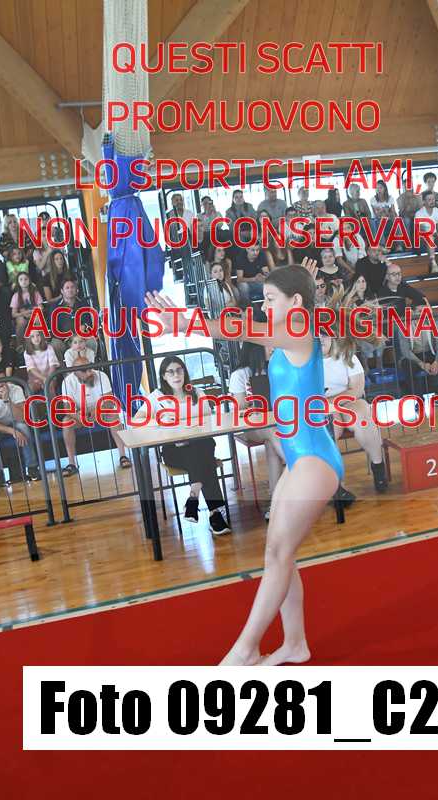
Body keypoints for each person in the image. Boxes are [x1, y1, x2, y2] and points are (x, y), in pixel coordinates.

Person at [146, 259, 345, 666]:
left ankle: (246, 649)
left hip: (314, 460)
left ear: (295, 302)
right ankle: (294, 644)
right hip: (301, 458)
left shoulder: (299, 331)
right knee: (278, 553)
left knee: (278, 554)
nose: (264, 306)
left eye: (270, 299)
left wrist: (184, 321)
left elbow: (240, 328)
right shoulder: (292, 331)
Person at [133, 355, 231, 534]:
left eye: (179, 370)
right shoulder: (156, 397)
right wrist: (159, 419)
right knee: (206, 459)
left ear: (184, 372)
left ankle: (194, 498)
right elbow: (136, 420)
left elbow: (209, 421)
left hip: (199, 446)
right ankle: (215, 514)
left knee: (203, 446)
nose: (176, 375)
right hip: (174, 451)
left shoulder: (197, 393)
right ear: (164, 376)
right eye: (170, 372)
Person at [320, 332, 387, 494]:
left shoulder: (346, 354)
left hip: (348, 399)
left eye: (324, 335)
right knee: (330, 429)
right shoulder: (304, 360)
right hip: (322, 407)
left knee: (362, 415)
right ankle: (336, 484)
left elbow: (357, 388)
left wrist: (333, 401)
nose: (320, 339)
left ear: (332, 337)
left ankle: (378, 465)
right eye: (315, 336)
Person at [229, 341, 286, 519]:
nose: (274, 347)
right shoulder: (240, 375)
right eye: (268, 345)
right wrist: (254, 405)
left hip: (280, 423)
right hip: (252, 426)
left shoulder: (278, 367)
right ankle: (297, 465)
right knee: (271, 431)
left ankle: (275, 502)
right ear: (255, 348)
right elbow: (240, 409)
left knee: (271, 443)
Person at [59, 357, 132, 477]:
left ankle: (123, 455)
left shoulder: (101, 376)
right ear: (75, 373)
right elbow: (67, 408)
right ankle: (72, 464)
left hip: (101, 410)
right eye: (84, 371)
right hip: (80, 414)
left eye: (90, 368)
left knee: (113, 414)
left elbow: (109, 401)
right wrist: (78, 416)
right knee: (66, 422)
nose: (89, 373)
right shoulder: (67, 382)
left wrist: (97, 410)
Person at [0, 374, 40, 483]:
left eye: (2, 380)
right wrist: (12, 431)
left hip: (16, 422)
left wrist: (7, 400)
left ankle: (32, 468)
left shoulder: (16, 389)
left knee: (24, 428)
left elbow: (22, 417)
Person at [396, 305, 438, 395]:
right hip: (414, 357)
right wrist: (421, 364)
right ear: (412, 312)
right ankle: (418, 397)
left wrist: (436, 362)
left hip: (430, 353)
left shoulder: (432, 323)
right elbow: (405, 351)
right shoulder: (403, 326)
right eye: (420, 311)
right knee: (407, 365)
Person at [47, 277, 96, 360]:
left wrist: (84, 327)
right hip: (64, 340)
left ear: (76, 290)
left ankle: (90, 366)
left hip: (81, 338)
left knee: (91, 341)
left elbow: (89, 322)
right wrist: (66, 336)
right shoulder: (54, 307)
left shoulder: (84, 304)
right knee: (55, 344)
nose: (70, 290)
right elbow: (52, 328)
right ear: (62, 291)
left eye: (72, 287)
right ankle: (63, 368)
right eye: (67, 288)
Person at [415, 190, 438, 273]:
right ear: (424, 202)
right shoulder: (419, 213)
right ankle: (433, 263)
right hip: (422, 238)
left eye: (433, 199)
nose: (432, 201)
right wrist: (433, 234)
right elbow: (422, 230)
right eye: (429, 200)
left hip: (435, 236)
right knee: (429, 236)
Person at [9, 271, 43, 342]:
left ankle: (40, 341)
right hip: (22, 316)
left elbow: (41, 307)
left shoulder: (35, 293)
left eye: (26, 279)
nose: (23, 281)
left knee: (38, 319)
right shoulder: (16, 296)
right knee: (21, 321)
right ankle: (20, 343)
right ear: (18, 282)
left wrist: (34, 312)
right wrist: (24, 313)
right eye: (21, 279)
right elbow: (13, 314)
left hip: (34, 314)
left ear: (29, 280)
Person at [370, 180, 396, 245]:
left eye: (380, 188)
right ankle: (383, 245)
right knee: (380, 222)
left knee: (397, 221)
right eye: (377, 188)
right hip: (378, 220)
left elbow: (393, 212)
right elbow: (376, 214)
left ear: (385, 189)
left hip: (389, 218)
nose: (378, 190)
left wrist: (385, 212)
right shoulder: (373, 199)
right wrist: (385, 210)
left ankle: (398, 245)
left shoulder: (390, 198)